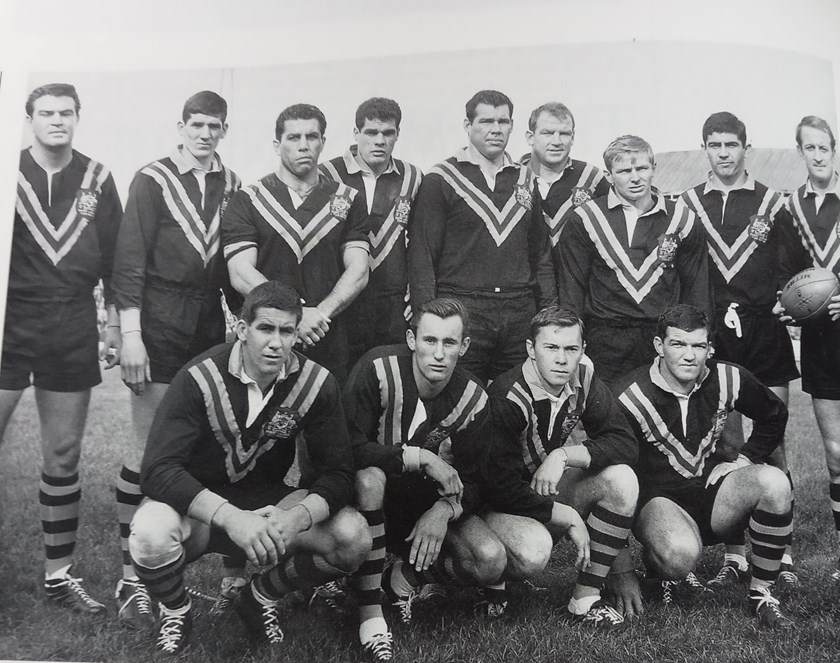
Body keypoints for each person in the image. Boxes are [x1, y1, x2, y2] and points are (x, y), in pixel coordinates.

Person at [128, 281, 370, 654]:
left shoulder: (317, 383)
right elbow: (157, 470)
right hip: (202, 513)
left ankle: (260, 595)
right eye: (265, 328)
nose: (276, 342)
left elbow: (338, 474)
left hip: (268, 509)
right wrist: (229, 517)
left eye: (286, 331)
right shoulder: (198, 376)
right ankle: (176, 608)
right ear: (242, 329)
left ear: (296, 334)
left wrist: (297, 519)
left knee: (352, 537)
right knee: (148, 532)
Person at [110, 90, 241, 627]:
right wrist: (130, 333)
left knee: (211, 450)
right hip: (159, 319)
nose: (205, 134)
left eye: (215, 126)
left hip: (207, 321)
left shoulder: (233, 184)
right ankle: (128, 575)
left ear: (224, 130)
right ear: (181, 126)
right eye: (197, 124)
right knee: (148, 451)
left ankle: (229, 570)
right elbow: (130, 258)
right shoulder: (152, 178)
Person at [0, 83, 122, 613]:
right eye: (46, 113)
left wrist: (115, 325)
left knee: (63, 454)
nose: (57, 121)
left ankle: (58, 576)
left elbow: (119, 261)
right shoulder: (10, 172)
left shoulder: (97, 177)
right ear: (28, 119)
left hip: (72, 319)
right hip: (10, 319)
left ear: (78, 117)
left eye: (66, 113)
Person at [341, 298, 506, 661]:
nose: (439, 353)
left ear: (463, 347)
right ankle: (368, 608)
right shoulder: (377, 369)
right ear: (411, 338)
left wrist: (445, 509)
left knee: (490, 559)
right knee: (370, 478)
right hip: (368, 499)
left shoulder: (473, 397)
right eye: (430, 340)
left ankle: (399, 579)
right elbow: (346, 449)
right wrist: (419, 457)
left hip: (424, 509)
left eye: (450, 343)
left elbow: (480, 480)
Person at [614, 304, 793, 628]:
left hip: (713, 496)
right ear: (659, 346)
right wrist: (621, 566)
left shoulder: (728, 377)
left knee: (774, 482)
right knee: (679, 554)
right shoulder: (629, 395)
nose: (689, 355)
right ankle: (661, 568)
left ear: (709, 348)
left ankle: (762, 593)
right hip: (659, 503)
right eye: (678, 344)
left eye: (698, 346)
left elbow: (774, 414)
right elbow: (610, 481)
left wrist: (746, 458)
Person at [680, 111, 799, 589]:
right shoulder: (688, 203)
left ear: (746, 147)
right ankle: (734, 553)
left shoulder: (773, 203)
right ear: (704, 149)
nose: (724, 153)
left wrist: (790, 302)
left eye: (732, 144)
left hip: (764, 327)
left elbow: (794, 268)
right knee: (723, 440)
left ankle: (781, 549)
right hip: (717, 332)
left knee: (775, 438)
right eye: (715, 144)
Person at [482, 306, 638, 626]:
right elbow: (496, 487)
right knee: (532, 553)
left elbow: (624, 443)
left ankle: (586, 600)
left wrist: (564, 456)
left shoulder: (582, 376)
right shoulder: (507, 394)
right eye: (551, 347)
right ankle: (470, 579)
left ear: (583, 350)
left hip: (539, 490)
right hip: (494, 505)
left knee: (622, 479)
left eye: (571, 348)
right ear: (531, 349)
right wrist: (566, 516)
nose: (562, 359)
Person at [408, 90, 556, 384]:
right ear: (467, 125)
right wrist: (428, 317)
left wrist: (549, 312)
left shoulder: (525, 178)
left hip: (518, 309)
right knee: (460, 400)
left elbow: (541, 253)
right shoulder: (442, 178)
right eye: (486, 121)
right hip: (463, 306)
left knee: (514, 400)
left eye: (503, 121)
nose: (496, 129)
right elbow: (422, 254)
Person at [223, 103, 370, 383]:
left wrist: (320, 314)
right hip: (269, 339)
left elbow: (359, 270)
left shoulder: (348, 199)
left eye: (311, 137)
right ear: (277, 145)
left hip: (328, 336)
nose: (304, 146)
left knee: (326, 420)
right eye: (293, 138)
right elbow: (240, 273)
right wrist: (295, 315)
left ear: (323, 142)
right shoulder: (249, 199)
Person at [554, 135, 712, 387]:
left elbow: (697, 289)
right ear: (609, 175)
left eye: (642, 168)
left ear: (653, 169)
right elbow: (572, 289)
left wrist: (699, 341)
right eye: (624, 170)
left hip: (662, 338)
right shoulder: (585, 218)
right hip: (605, 337)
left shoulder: (683, 219)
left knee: (662, 418)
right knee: (608, 420)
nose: (635, 177)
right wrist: (574, 345)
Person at [775, 115, 840, 581]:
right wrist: (788, 304)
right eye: (810, 148)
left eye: (825, 147)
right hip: (822, 340)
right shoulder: (790, 208)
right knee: (835, 449)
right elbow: (788, 274)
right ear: (800, 152)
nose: (818, 155)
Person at [320, 97, 422, 368]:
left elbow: (420, 242)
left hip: (392, 303)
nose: (380, 141)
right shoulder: (327, 174)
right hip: (341, 300)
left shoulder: (412, 176)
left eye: (388, 133)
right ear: (356, 133)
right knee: (341, 378)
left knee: (389, 378)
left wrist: (417, 293)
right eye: (371, 132)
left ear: (397, 134)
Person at [520, 102, 610, 247]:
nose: (556, 142)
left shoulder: (591, 178)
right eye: (547, 133)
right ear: (530, 137)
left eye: (564, 134)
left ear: (573, 137)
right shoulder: (513, 177)